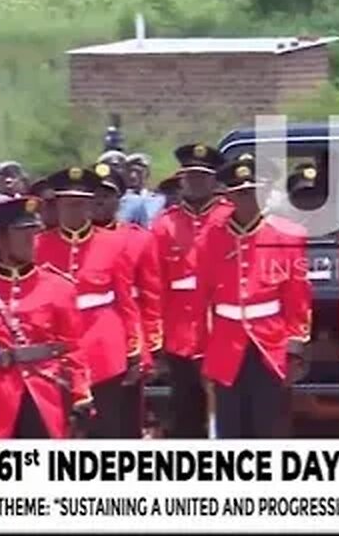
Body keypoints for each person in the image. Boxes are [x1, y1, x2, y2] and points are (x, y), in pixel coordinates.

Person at [0, 196, 93, 439]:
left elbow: (73, 347)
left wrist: (80, 394)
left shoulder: (59, 286)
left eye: (34, 232)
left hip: (44, 394)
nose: (31, 240)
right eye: (21, 233)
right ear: (0, 239)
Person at [196, 154, 311, 439]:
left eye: (253, 193)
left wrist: (295, 345)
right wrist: (202, 349)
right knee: (231, 425)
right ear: (230, 197)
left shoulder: (287, 236)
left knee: (269, 422)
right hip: (226, 342)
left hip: (269, 341)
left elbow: (297, 294)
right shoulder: (211, 238)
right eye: (241, 194)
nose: (248, 201)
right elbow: (202, 297)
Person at [35, 166, 142, 439]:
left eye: (81, 204)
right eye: (68, 204)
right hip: (57, 352)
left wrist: (134, 348)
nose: (74, 211)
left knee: (106, 429)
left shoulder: (114, 243)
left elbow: (125, 300)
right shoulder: (39, 246)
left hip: (104, 349)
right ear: (56, 206)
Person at [150, 144, 230, 438]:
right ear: (182, 179)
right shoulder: (164, 225)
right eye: (190, 176)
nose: (196, 182)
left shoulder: (229, 218)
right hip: (180, 333)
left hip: (223, 331)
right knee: (185, 414)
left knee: (229, 412)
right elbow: (154, 284)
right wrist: (155, 337)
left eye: (202, 177)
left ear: (214, 181)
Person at [91, 161, 161, 438]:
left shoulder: (137, 239)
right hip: (88, 333)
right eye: (94, 195)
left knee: (125, 419)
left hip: (129, 334)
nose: (99, 201)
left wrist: (151, 344)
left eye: (107, 195)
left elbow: (151, 294)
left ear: (119, 199)